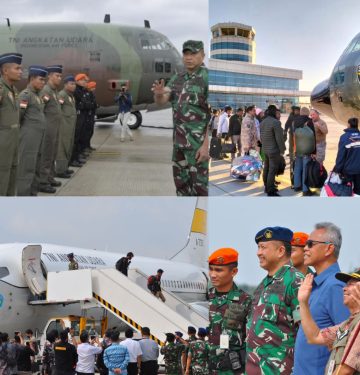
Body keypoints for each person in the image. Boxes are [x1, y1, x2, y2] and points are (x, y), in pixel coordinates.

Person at [152, 40, 209, 196]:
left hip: (197, 147)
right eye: (186, 54)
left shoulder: (207, 78)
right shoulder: (178, 78)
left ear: (202, 55)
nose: (189, 57)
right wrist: (158, 94)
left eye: (193, 53)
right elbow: (163, 100)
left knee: (200, 188)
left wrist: (205, 146)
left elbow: (212, 115)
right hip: (178, 144)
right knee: (181, 185)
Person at [293, 222, 350, 375]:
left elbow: (347, 342)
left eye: (310, 244)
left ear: (329, 249)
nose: (305, 248)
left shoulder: (335, 287)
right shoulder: (314, 284)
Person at [246, 227, 304, 375]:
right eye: (258, 247)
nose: (258, 253)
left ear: (280, 251)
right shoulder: (262, 285)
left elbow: (305, 332)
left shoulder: (295, 281)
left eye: (263, 248)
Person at [298, 269, 360, 375]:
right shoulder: (347, 324)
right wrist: (303, 302)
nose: (344, 289)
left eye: (351, 284)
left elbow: (346, 370)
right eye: (346, 285)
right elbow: (314, 337)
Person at [208, 248, 252, 374]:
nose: (213, 274)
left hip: (233, 369)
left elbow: (252, 339)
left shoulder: (245, 301)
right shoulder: (205, 298)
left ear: (234, 271)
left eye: (218, 270)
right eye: (211, 269)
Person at [16, 65, 48, 195]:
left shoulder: (37, 95)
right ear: (32, 78)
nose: (43, 82)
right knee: (26, 165)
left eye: (44, 80)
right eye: (40, 79)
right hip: (29, 136)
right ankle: (23, 194)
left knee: (36, 164)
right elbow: (19, 116)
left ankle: (32, 192)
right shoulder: (26, 95)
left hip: (38, 136)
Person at [0, 52, 23, 196]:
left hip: (13, 142)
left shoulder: (14, 91)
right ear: (5, 70)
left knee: (12, 177)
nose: (21, 71)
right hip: (2, 145)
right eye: (17, 68)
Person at [38, 64, 63, 193]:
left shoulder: (54, 91)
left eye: (60, 76)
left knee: (53, 153)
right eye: (57, 76)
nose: (59, 78)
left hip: (55, 128)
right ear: (49, 76)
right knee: (46, 154)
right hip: (47, 129)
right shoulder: (46, 91)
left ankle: (50, 177)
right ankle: (42, 181)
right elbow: (40, 110)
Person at [260, 105, 286, 196]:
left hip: (265, 149)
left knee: (267, 168)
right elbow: (279, 139)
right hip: (274, 150)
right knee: (272, 170)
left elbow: (261, 137)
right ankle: (270, 190)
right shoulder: (275, 122)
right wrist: (282, 149)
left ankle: (266, 186)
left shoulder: (263, 121)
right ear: (273, 112)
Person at [56, 75, 77, 179]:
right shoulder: (62, 95)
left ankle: (65, 167)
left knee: (68, 146)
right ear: (65, 84)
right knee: (62, 148)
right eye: (71, 84)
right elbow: (58, 109)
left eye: (74, 84)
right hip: (64, 126)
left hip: (70, 126)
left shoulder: (70, 96)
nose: (74, 86)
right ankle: (60, 170)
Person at [333, 117, 360, 195]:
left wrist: (338, 169)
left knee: (346, 192)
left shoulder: (344, 137)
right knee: (358, 192)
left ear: (348, 124)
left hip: (348, 171)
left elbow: (341, 155)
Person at [293, 107, 316, 196]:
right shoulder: (309, 121)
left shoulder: (295, 121)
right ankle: (305, 190)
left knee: (298, 167)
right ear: (307, 113)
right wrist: (314, 151)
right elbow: (313, 137)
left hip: (298, 149)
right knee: (306, 169)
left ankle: (297, 186)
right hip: (307, 149)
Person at [71, 73, 90, 168]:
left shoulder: (82, 90)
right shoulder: (77, 91)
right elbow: (80, 104)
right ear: (77, 81)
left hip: (82, 116)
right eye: (83, 80)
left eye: (85, 80)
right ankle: (73, 159)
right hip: (78, 116)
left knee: (79, 138)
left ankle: (77, 157)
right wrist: (84, 105)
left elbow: (86, 103)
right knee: (75, 139)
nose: (85, 82)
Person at [84, 81, 97, 150]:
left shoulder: (91, 94)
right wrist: (93, 105)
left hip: (92, 114)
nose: (94, 89)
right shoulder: (87, 94)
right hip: (88, 115)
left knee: (91, 132)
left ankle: (88, 145)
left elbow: (93, 103)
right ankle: (85, 147)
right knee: (86, 132)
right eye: (93, 87)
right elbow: (88, 104)